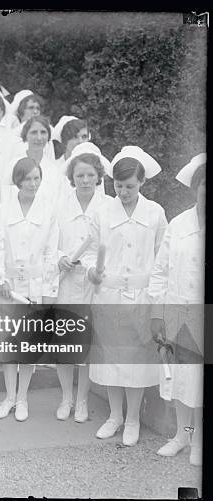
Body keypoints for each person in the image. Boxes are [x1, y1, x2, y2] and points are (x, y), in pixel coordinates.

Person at [86, 146, 168, 447]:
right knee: (111, 356)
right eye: (118, 186)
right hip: (109, 293)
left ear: (142, 182)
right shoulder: (103, 212)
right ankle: (114, 415)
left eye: (130, 186)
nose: (123, 192)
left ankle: (133, 418)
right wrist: (90, 273)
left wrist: (158, 295)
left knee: (135, 359)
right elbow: (91, 253)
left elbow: (163, 257)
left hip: (140, 295)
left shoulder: (155, 213)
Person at [0, 157, 59, 422]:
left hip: (35, 288)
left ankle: (23, 398)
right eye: (27, 178)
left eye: (36, 178)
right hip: (9, 287)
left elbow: (51, 253)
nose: (32, 183)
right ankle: (8, 396)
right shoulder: (2, 209)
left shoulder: (48, 211)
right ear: (18, 180)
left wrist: (48, 293)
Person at [149, 153, 205, 466]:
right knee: (181, 381)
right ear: (195, 187)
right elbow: (160, 271)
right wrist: (157, 313)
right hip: (179, 315)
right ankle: (183, 435)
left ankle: (199, 441)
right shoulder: (179, 223)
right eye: (203, 184)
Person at [54, 142, 111, 422]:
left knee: (86, 344)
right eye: (80, 176)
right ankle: (65, 397)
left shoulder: (108, 206)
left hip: (92, 285)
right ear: (72, 178)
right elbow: (49, 242)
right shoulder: (60, 206)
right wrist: (60, 257)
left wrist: (93, 268)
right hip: (65, 282)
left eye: (90, 175)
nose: (85, 180)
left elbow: (108, 247)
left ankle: (82, 400)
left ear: (98, 176)